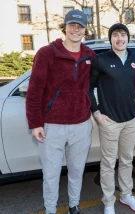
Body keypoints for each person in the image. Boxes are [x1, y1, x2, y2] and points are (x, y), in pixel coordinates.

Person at [26, 10, 95, 214]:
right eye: (72, 25)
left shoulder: (89, 55)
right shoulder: (47, 53)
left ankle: (74, 206)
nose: (76, 29)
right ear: (65, 27)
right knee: (51, 174)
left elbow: (95, 86)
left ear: (85, 30)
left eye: (80, 26)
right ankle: (50, 210)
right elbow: (35, 90)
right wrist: (35, 123)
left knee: (76, 171)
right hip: (52, 126)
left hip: (81, 125)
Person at [88, 23, 135, 214]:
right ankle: (109, 201)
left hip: (130, 120)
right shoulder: (101, 60)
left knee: (127, 160)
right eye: (116, 35)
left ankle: (126, 195)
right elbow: (87, 88)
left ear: (128, 38)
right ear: (110, 38)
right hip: (109, 121)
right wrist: (97, 114)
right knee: (108, 163)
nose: (120, 39)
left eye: (123, 35)